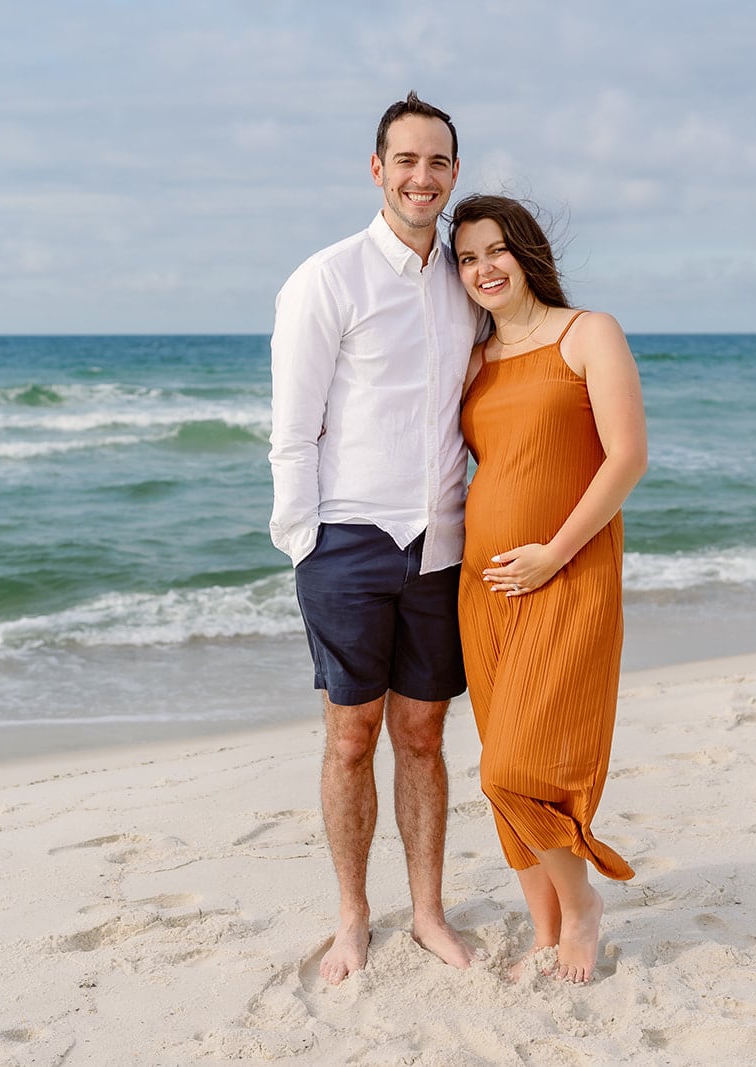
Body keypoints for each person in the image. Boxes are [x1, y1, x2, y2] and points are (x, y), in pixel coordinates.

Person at [268, 92, 480, 985]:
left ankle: (426, 910)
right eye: (406, 161)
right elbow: (293, 428)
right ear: (377, 169)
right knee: (352, 736)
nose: (421, 177)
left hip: (441, 543)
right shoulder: (328, 277)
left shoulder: (470, 280)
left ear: (454, 173)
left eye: (437, 162)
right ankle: (354, 916)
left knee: (424, 735)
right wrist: (304, 543)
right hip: (346, 542)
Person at [449, 194, 648, 984]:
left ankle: (584, 905)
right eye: (465, 258)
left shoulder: (588, 332)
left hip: (569, 574)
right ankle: (545, 923)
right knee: (501, 764)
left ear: (526, 251)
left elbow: (625, 457)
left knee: (515, 768)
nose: (483, 268)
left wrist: (553, 554)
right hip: (482, 589)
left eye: (494, 250)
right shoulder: (474, 360)